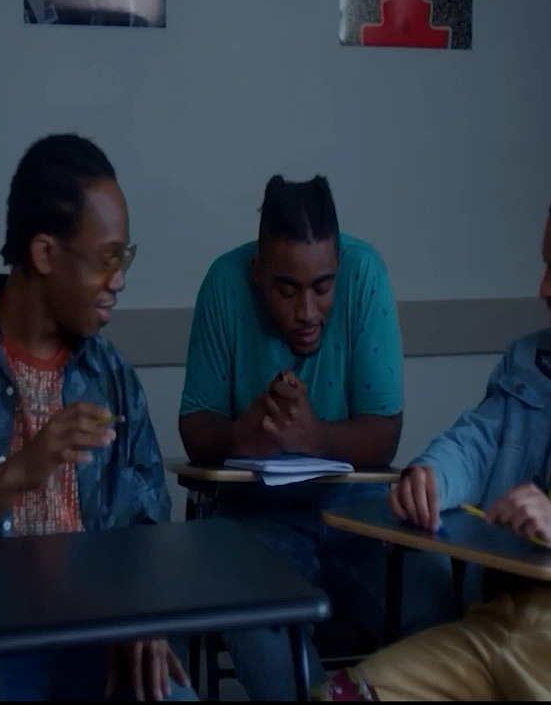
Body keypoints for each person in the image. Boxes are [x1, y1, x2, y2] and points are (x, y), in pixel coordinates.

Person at [315, 171, 551, 701]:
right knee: (343, 696)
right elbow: (477, 442)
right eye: (545, 268)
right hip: (497, 620)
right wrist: (431, 475)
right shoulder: (530, 359)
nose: (543, 289)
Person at [0, 135, 196, 701]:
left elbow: (149, 531)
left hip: (101, 637)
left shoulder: (112, 375)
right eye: (106, 260)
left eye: (124, 258)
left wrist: (144, 614)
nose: (119, 279)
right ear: (46, 254)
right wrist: (19, 473)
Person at [178, 175, 456, 701]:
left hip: (359, 512)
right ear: (258, 273)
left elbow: (385, 435)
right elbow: (195, 427)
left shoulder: (366, 273)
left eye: (323, 288)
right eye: (287, 291)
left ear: (339, 269)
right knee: (260, 618)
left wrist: (316, 438)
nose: (307, 312)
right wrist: (243, 434)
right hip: (254, 518)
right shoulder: (223, 283)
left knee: (435, 598)